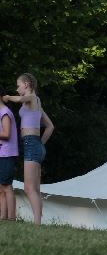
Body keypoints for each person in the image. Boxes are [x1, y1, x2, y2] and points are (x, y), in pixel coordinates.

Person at [2, 73, 53, 224]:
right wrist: (40, 144)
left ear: (25, 84)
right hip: (34, 144)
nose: (17, 89)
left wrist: (7, 97)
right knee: (34, 189)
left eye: (18, 86)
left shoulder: (32, 98)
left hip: (32, 144)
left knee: (29, 188)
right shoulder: (36, 104)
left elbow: (19, 98)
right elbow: (50, 126)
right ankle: (38, 220)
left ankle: (37, 222)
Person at [0, 87, 19, 221]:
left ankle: (11, 218)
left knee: (6, 186)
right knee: (1, 187)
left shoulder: (5, 112)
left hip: (7, 154)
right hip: (2, 154)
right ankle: (3, 216)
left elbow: (6, 134)